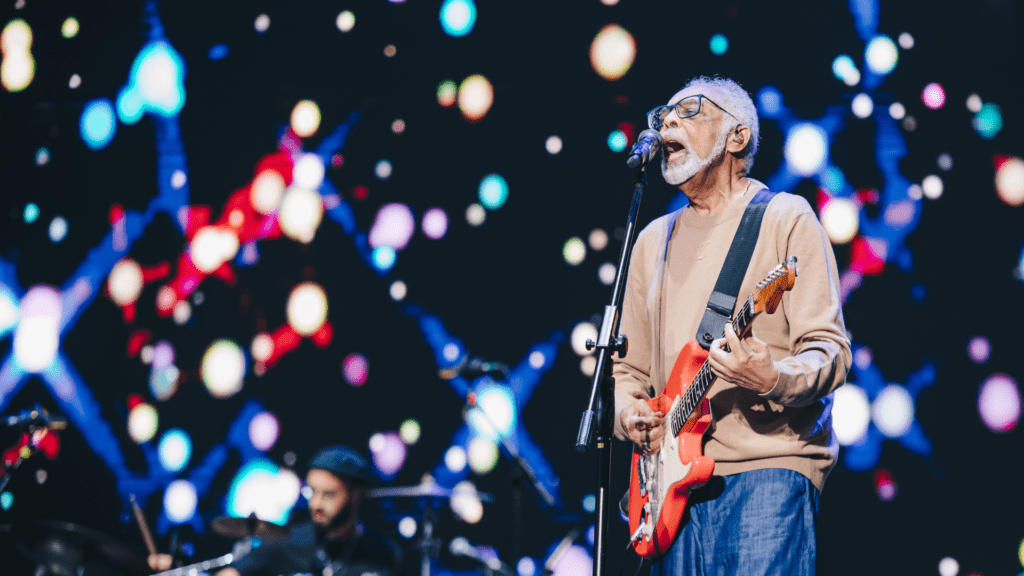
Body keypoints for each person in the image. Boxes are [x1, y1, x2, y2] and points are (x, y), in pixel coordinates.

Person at [613, 76, 851, 575]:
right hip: (668, 490)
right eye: (664, 115)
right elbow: (626, 372)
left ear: (736, 137)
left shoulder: (785, 217)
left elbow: (830, 351)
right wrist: (628, 415)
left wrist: (773, 378)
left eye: (690, 110)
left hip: (767, 471)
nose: (668, 121)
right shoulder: (651, 242)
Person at [150, 446, 402, 576]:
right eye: (312, 491)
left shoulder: (383, 555)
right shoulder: (287, 540)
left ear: (357, 495)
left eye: (329, 494)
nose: (316, 504)